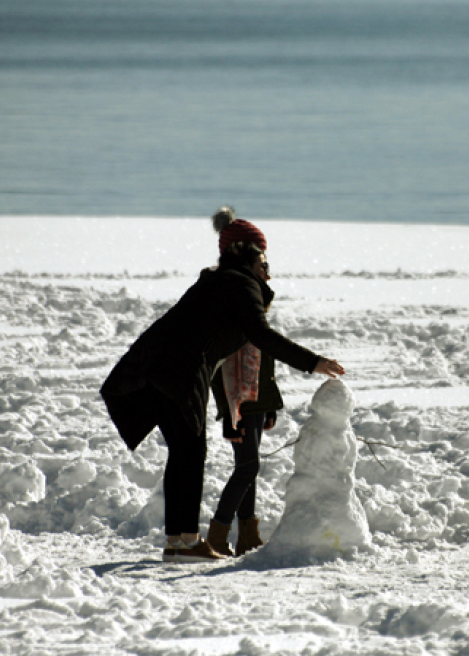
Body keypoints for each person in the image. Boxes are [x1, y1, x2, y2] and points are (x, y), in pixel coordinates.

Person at [100, 207, 345, 562]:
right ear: (248, 251)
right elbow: (260, 334)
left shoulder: (217, 282)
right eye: (262, 252)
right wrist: (312, 362)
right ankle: (183, 543)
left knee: (185, 454)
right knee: (189, 453)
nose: (266, 259)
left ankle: (179, 540)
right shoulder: (239, 283)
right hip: (180, 374)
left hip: (158, 371)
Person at [208, 341, 282, 557]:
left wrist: (269, 407)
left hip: (257, 404)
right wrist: (229, 416)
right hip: (241, 407)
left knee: (249, 468)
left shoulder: (255, 321)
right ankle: (217, 537)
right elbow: (217, 372)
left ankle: (247, 537)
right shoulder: (233, 323)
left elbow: (264, 363)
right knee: (247, 469)